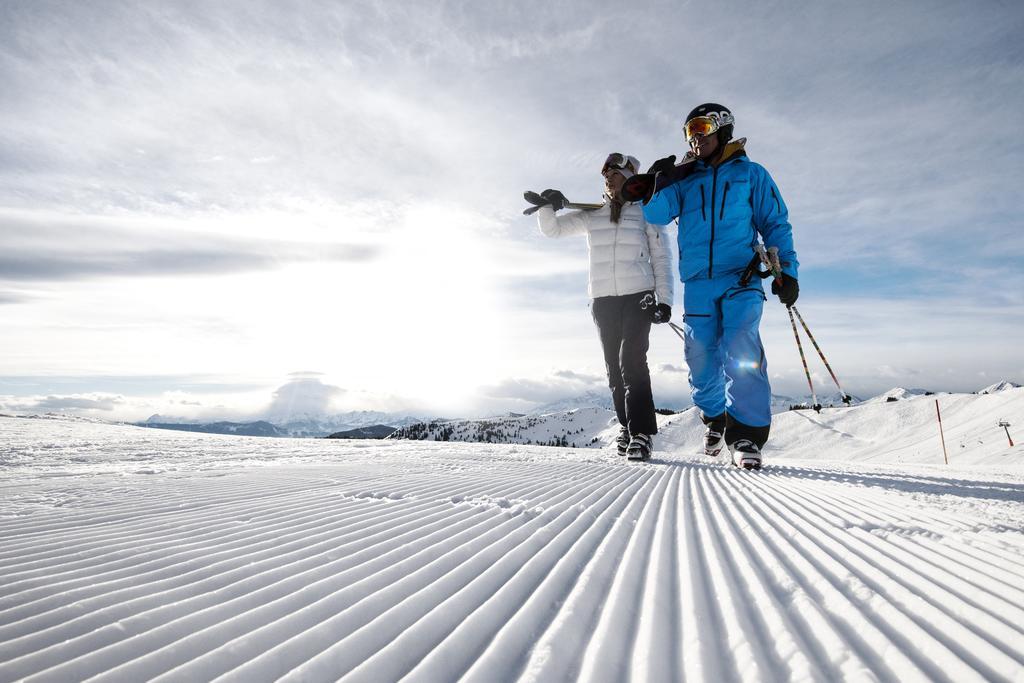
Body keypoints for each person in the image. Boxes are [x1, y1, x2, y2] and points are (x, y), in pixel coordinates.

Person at [623, 104, 799, 470]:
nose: (695, 138)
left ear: (723, 129)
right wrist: (657, 183)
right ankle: (715, 417)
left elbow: (776, 223)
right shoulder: (686, 178)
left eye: (701, 128)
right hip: (699, 283)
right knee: (700, 358)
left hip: (742, 276)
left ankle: (746, 435)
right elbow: (655, 214)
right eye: (689, 132)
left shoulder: (752, 174)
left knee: (741, 350)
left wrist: (789, 272)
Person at [534, 153, 674, 460]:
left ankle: (641, 434)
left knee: (632, 361)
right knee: (614, 368)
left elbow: (661, 258)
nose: (608, 179)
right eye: (606, 176)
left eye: (614, 173)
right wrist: (547, 207)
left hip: (639, 295)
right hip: (603, 300)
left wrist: (664, 300)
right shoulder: (593, 215)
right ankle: (626, 427)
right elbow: (553, 230)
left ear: (630, 177)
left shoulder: (646, 213)